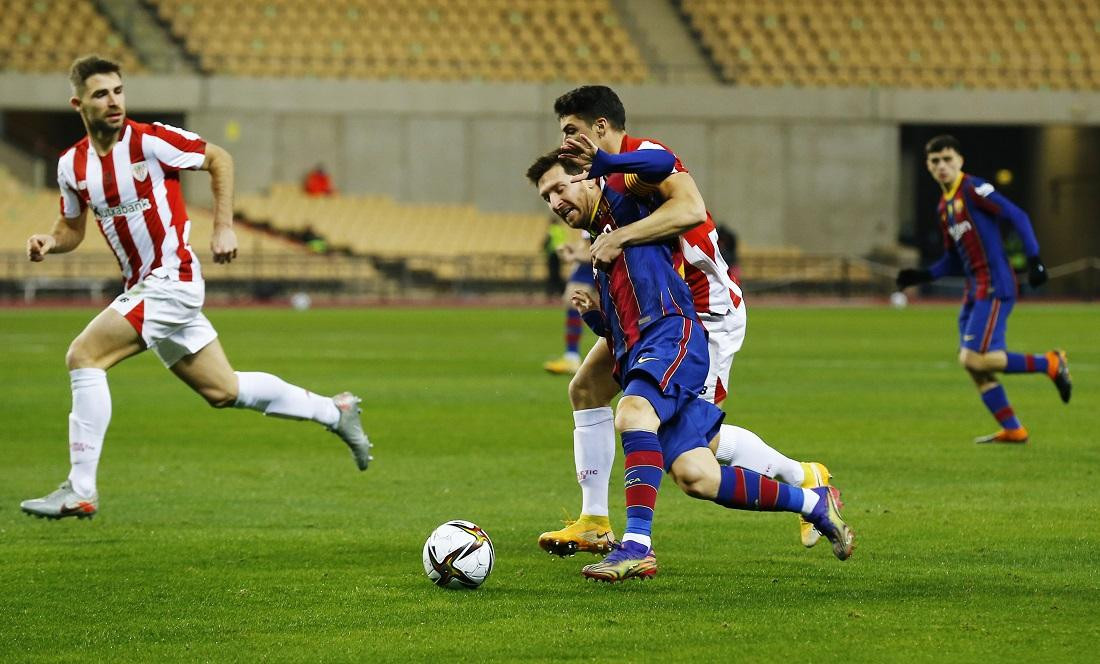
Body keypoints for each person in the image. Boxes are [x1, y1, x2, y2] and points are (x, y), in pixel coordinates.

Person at [19, 55, 371, 521]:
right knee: (223, 390)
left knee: (84, 356)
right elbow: (71, 228)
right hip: (146, 287)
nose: (114, 101)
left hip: (173, 280)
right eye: (101, 94)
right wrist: (50, 241)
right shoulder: (72, 166)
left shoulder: (150, 141)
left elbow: (217, 158)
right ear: (78, 103)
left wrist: (223, 226)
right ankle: (335, 411)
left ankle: (80, 489)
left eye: (119, 91)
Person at [527, 149, 854, 581]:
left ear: (589, 176)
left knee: (634, 412)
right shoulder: (601, 240)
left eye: (559, 188)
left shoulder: (629, 198)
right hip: (647, 340)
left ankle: (636, 545)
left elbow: (663, 166)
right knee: (696, 473)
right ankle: (813, 499)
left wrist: (605, 156)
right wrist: (594, 314)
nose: (554, 202)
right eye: (546, 196)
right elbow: (621, 321)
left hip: (687, 328)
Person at [897, 134, 1071, 444]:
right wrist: (922, 275)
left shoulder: (973, 189)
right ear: (927, 166)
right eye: (935, 161)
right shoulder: (944, 206)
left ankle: (1050, 363)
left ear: (960, 160)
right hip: (974, 288)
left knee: (974, 358)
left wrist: (1034, 260)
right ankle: (1014, 429)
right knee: (974, 366)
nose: (942, 166)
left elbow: (1018, 215)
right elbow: (953, 259)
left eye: (947, 159)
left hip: (994, 284)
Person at [543, 233, 597, 375]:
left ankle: (572, 357)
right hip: (588, 271)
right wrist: (572, 249)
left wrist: (572, 256)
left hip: (588, 272)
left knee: (576, 305)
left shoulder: (596, 215)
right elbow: (587, 247)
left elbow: (593, 250)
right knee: (575, 306)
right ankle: (572, 356)